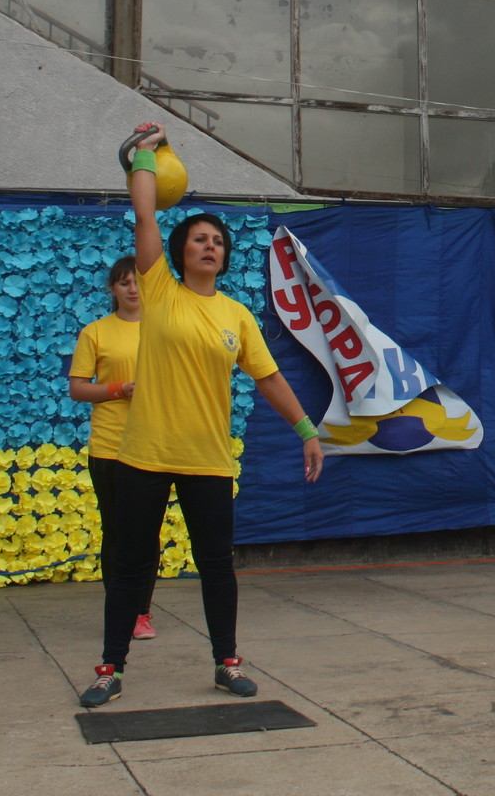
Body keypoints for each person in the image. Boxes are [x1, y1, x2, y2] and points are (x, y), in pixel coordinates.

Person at [79, 122, 325, 709]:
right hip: (143, 454)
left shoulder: (237, 316)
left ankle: (227, 662)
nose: (209, 245)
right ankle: (110, 668)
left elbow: (268, 378)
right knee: (131, 565)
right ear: (181, 252)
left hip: (208, 459)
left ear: (224, 255)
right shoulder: (158, 288)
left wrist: (307, 431)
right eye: (198, 239)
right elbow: (144, 220)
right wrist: (142, 153)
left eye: (217, 240)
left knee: (217, 565)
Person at [68, 256, 158, 641]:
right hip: (109, 445)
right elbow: (78, 388)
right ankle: (120, 612)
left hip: (155, 444)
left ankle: (142, 613)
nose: (133, 289)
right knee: (118, 532)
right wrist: (118, 390)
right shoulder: (95, 333)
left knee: (148, 532)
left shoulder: (164, 330)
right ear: (113, 289)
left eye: (138, 282)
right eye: (124, 283)